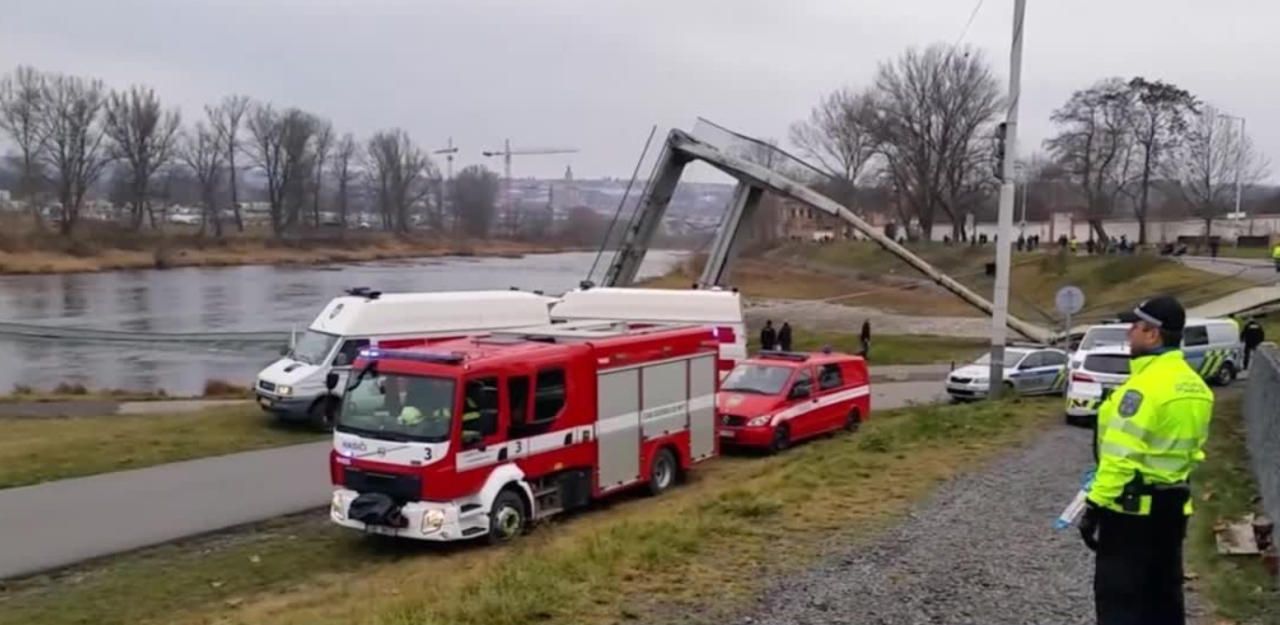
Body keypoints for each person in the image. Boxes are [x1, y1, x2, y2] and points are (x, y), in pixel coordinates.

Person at [1077, 295, 1213, 625]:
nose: (1129, 335)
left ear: (1153, 334)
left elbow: (1120, 459)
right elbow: (1194, 451)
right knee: (1164, 600)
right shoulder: (1196, 387)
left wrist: (1094, 506)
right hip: (1173, 512)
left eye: (1134, 327)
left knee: (1120, 602)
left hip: (1130, 517)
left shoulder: (1142, 389)